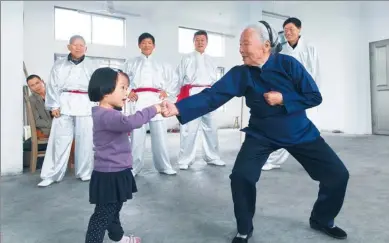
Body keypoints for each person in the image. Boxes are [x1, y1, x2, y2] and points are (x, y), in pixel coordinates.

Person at [161, 21, 349, 243]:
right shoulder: (242, 73)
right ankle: (244, 228)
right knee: (241, 177)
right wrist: (178, 107)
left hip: (298, 130)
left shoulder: (288, 64)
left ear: (266, 45)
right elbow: (213, 96)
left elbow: (314, 96)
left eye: (245, 44)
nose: (240, 49)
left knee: (338, 175)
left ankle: (322, 219)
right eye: (240, 44)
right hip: (261, 133)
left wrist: (284, 99)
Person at [85, 67, 164, 243]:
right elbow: (131, 122)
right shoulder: (106, 116)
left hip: (117, 170)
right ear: (106, 91)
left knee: (112, 210)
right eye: (122, 88)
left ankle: (118, 237)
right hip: (109, 174)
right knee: (102, 216)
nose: (126, 92)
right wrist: (154, 108)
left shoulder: (108, 113)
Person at [262, 17, 321, 171]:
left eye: (291, 29)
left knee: (308, 129)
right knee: (285, 127)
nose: (288, 33)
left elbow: (315, 71)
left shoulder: (309, 46)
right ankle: (274, 160)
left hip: (306, 93)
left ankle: (315, 160)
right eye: (286, 30)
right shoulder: (283, 49)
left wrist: (312, 93)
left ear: (299, 29)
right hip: (288, 95)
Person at [38, 35, 97, 187]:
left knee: (86, 140)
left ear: (86, 48)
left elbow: (98, 87)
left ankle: (85, 172)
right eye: (75, 45)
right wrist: (54, 105)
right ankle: (52, 174)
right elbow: (52, 86)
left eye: (81, 45)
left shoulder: (93, 65)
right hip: (63, 104)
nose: (78, 47)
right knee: (59, 140)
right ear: (69, 47)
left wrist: (98, 105)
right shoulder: (59, 65)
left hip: (86, 104)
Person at [123, 32, 176, 176]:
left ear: (154, 46)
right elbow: (122, 80)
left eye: (149, 43)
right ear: (139, 45)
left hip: (156, 99)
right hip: (138, 100)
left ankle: (164, 166)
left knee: (160, 136)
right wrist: (128, 92)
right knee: (137, 137)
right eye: (143, 43)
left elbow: (174, 80)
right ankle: (133, 168)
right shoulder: (131, 62)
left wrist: (168, 92)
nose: (146, 45)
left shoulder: (162, 64)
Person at [174, 30, 225, 170]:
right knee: (189, 129)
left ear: (207, 42)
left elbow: (215, 80)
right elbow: (178, 78)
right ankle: (185, 159)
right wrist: (175, 98)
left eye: (203, 40)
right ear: (193, 42)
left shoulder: (211, 60)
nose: (200, 42)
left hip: (209, 93)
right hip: (192, 93)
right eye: (197, 40)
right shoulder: (186, 58)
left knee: (211, 127)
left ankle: (213, 157)